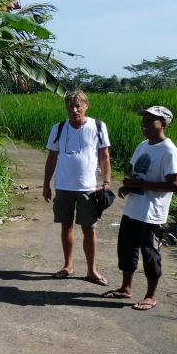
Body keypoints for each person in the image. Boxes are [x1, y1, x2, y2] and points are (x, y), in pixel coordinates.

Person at [102, 106, 177, 310]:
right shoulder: (142, 145)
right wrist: (128, 187)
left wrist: (140, 185)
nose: (144, 125)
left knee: (150, 254)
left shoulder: (169, 151)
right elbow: (138, 175)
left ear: (163, 124)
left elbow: (175, 185)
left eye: (150, 121)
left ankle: (150, 296)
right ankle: (125, 288)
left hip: (152, 214)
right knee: (127, 251)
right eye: (143, 121)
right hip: (133, 209)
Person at [42, 90, 112, 285]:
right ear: (66, 108)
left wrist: (106, 180)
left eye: (78, 105)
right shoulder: (58, 128)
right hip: (64, 186)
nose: (74, 110)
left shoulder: (97, 126)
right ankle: (68, 265)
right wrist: (46, 184)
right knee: (66, 225)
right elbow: (51, 157)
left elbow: (104, 155)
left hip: (89, 187)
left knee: (89, 228)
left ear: (86, 106)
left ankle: (91, 270)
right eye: (70, 106)